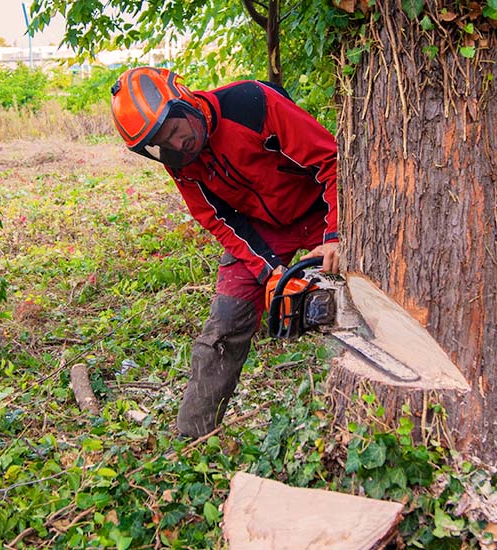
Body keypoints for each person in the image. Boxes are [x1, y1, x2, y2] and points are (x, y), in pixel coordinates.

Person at [110, 66, 340, 438]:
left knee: (368, 288)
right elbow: (218, 220)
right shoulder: (180, 161)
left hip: (320, 206)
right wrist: (271, 272)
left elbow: (331, 161)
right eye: (161, 143)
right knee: (225, 323)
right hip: (260, 226)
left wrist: (335, 233)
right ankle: (192, 439)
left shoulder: (251, 104)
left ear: (184, 101)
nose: (176, 143)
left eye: (174, 129)